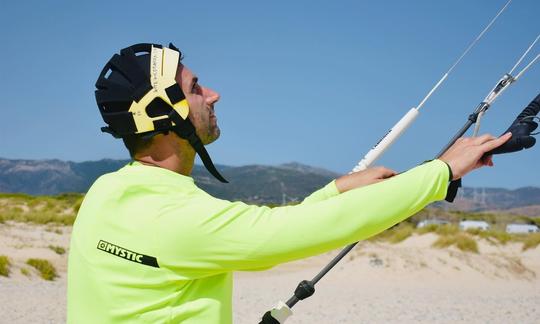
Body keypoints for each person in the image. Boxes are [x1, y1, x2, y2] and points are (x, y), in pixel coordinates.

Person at [67, 43, 512, 323]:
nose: (213, 94)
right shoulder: (173, 217)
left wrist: (334, 191)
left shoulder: (106, 194)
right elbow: (285, 237)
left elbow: (259, 228)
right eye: (196, 87)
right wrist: (441, 173)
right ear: (166, 113)